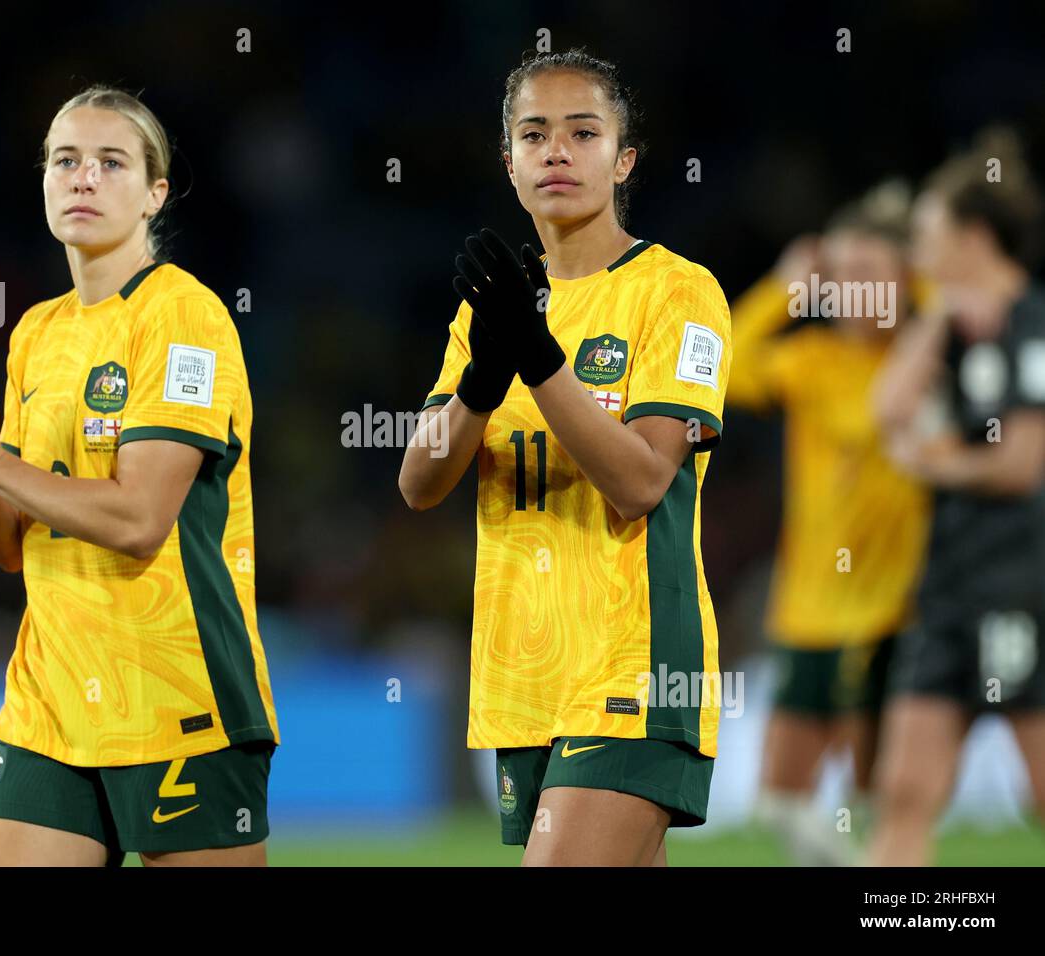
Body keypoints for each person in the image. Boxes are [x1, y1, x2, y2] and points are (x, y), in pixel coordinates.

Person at [0, 86, 278, 866]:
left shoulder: (183, 318)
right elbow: (7, 544)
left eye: (110, 162)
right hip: (50, 700)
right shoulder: (38, 332)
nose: (83, 178)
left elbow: (139, 521)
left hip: (178, 696)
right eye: (65, 160)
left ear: (155, 192)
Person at [399, 49, 732, 866]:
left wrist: (537, 357)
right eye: (534, 133)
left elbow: (643, 481)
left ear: (623, 160)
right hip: (525, 669)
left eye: (584, 132)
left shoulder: (678, 291)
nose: (556, 151)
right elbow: (418, 482)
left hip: (635, 664)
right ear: (508, 160)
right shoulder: (491, 309)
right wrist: (481, 377)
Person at [726, 183, 931, 865]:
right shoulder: (811, 361)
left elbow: (958, 306)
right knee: (777, 801)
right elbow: (715, 370)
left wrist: (922, 284)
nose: (850, 290)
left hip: (896, 613)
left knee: (882, 797)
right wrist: (785, 287)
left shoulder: (931, 359)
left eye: (869, 275)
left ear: (905, 278)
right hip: (807, 610)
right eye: (839, 277)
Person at [870, 128, 1045, 865]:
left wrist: (937, 463)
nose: (916, 249)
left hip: (1021, 587)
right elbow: (885, 412)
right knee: (904, 789)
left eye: (928, 231)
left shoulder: (1033, 324)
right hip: (945, 588)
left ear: (974, 234)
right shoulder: (947, 327)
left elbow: (1022, 465)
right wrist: (938, 316)